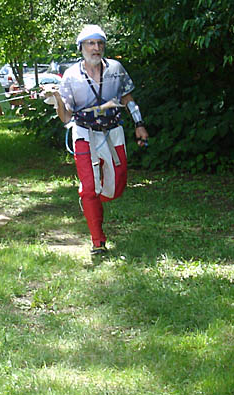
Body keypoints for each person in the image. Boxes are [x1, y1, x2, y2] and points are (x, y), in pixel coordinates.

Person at [50, 24, 149, 255]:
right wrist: (57, 98)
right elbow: (66, 117)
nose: (96, 48)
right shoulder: (71, 75)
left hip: (113, 131)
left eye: (100, 43)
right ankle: (97, 240)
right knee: (89, 187)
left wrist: (139, 124)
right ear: (81, 47)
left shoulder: (116, 68)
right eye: (91, 44)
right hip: (84, 133)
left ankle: (95, 198)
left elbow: (128, 97)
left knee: (118, 181)